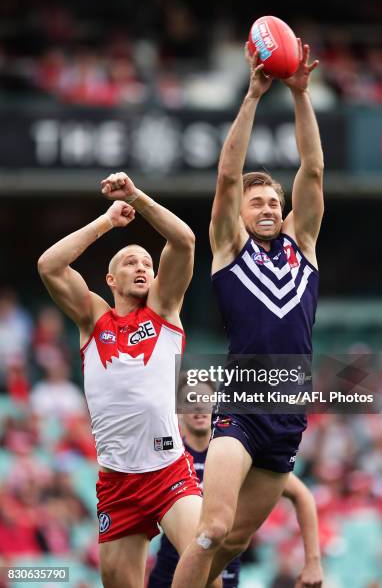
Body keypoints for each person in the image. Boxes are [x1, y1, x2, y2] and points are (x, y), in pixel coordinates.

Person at [172, 41, 324, 588]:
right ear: (239, 213)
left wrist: (301, 96)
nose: (265, 207)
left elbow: (313, 168)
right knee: (212, 528)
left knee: (236, 542)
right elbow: (227, 176)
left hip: (289, 413)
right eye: (255, 202)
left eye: (272, 202)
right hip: (242, 404)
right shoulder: (229, 250)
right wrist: (254, 96)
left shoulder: (301, 246)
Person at [37, 172, 218, 588]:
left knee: (202, 565)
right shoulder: (93, 318)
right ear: (110, 280)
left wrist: (137, 196)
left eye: (147, 264)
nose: (141, 267)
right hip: (116, 480)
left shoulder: (164, 310)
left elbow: (185, 241)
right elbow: (49, 265)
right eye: (130, 262)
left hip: (168, 471)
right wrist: (106, 222)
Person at [148, 401, 323, 587]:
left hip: (225, 573)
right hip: (170, 574)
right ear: (179, 412)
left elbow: (302, 495)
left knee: (226, 538)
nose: (199, 410)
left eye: (206, 402)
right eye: (191, 402)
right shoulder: (172, 458)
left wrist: (313, 562)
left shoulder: (241, 455)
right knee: (212, 532)